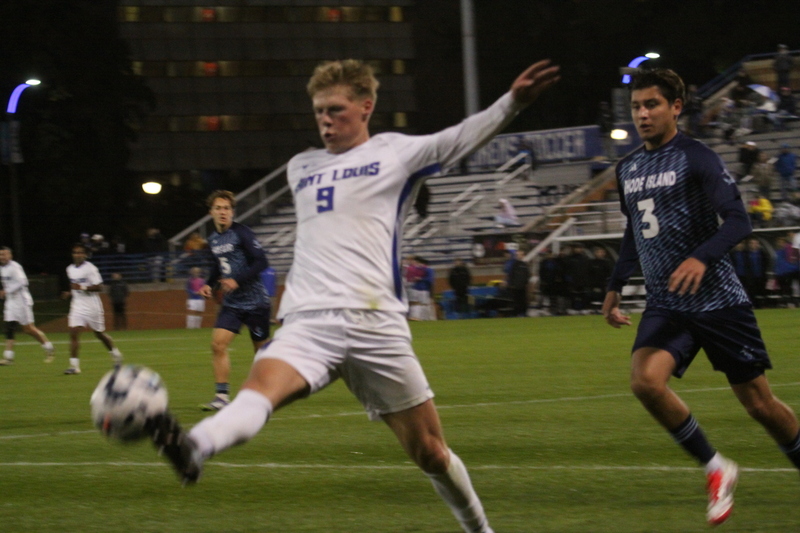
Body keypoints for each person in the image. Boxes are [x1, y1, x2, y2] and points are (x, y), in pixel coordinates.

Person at [146, 58, 560, 533]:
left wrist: (512, 103)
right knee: (257, 393)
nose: (325, 120)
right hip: (309, 321)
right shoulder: (301, 167)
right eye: (319, 111)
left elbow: (460, 137)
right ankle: (193, 447)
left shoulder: (396, 153)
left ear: (366, 107)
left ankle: (480, 530)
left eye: (335, 110)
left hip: (375, 322)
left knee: (430, 451)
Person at [602, 68, 800, 527]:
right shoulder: (627, 168)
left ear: (676, 107)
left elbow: (738, 221)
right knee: (645, 382)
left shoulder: (697, 157)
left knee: (760, 406)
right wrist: (614, 286)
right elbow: (635, 232)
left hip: (718, 301)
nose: (643, 114)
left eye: (652, 104)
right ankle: (716, 467)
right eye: (636, 107)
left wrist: (701, 258)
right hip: (668, 302)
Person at [197, 190, 271, 411]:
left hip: (256, 301)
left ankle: (268, 391)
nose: (223, 212)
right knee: (217, 345)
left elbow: (261, 261)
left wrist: (237, 280)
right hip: (232, 303)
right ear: (211, 212)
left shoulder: (242, 233)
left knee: (262, 352)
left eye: (227, 208)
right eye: (218, 208)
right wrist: (209, 284)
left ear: (232, 212)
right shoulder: (213, 239)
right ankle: (222, 397)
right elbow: (217, 265)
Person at [62, 243, 123, 374]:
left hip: (92, 306)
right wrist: (70, 292)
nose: (77, 255)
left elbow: (99, 287)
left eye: (80, 252)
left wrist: (82, 287)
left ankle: (115, 353)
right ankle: (74, 366)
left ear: (85, 255)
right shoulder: (69, 269)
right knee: (73, 332)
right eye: (75, 252)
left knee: (99, 334)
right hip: (77, 305)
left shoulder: (90, 268)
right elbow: (74, 286)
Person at [0, 246, 55, 365]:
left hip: (22, 301)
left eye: (4, 254)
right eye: (0, 255)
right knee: (9, 328)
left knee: (28, 329)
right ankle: (8, 358)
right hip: (11, 301)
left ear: (10, 255)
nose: (2, 257)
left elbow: (23, 282)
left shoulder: (15, 267)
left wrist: (6, 291)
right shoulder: (2, 268)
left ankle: (49, 347)